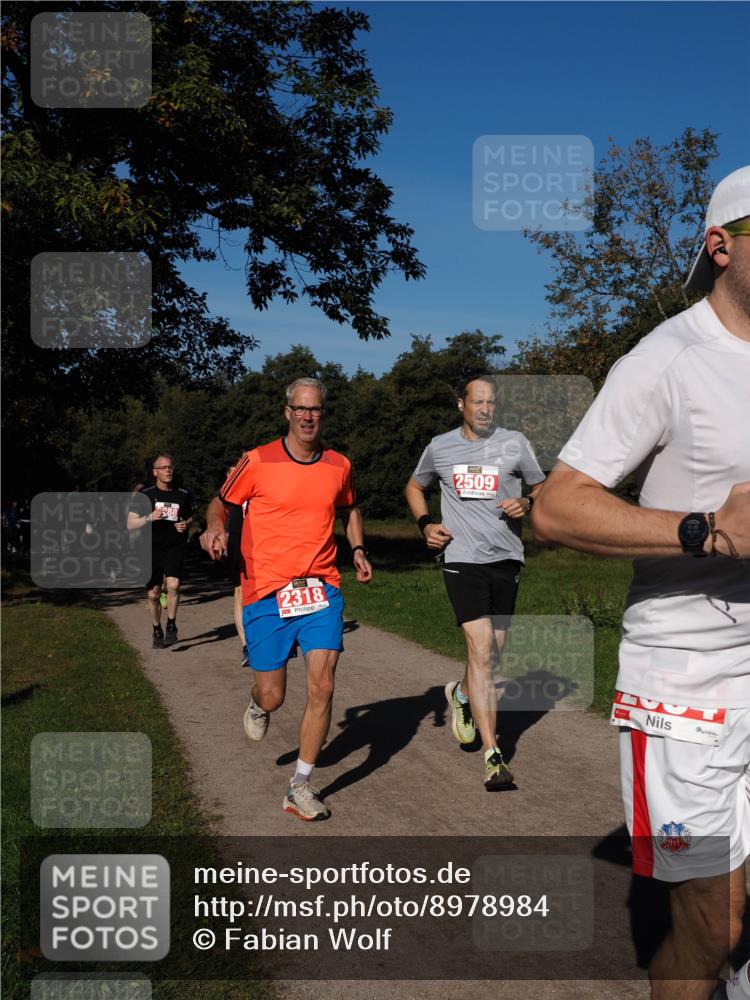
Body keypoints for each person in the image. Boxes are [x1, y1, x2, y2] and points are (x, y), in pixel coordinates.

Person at [531, 166, 750, 1000]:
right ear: (721, 245)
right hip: (687, 687)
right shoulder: (667, 359)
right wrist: (701, 530)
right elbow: (557, 507)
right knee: (712, 927)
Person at [200, 377, 373, 821]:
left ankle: (300, 786)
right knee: (275, 695)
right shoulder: (256, 461)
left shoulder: (339, 465)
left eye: (315, 410)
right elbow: (220, 502)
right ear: (287, 412)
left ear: (323, 414)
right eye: (301, 409)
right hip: (266, 592)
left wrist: (356, 549)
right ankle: (259, 702)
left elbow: (350, 508)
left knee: (324, 684)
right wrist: (216, 527)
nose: (308, 417)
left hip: (321, 587)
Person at [405, 367, 545, 790]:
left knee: (492, 655)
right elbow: (415, 487)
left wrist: (526, 501)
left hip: (505, 559)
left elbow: (543, 486)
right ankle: (492, 754)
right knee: (481, 650)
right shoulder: (440, 447)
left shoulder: (515, 443)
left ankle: (461, 694)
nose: (484, 408)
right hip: (460, 558)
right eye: (477, 401)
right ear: (461, 405)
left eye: (491, 402)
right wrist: (426, 523)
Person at [127, 454, 194, 648]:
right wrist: (149, 517)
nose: (168, 470)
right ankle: (157, 628)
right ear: (155, 472)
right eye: (164, 467)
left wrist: (184, 524)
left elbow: (189, 518)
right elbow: (130, 523)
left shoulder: (182, 494)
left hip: (175, 546)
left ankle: (171, 624)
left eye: (170, 467)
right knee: (153, 594)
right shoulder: (145, 496)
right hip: (150, 548)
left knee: (173, 585)